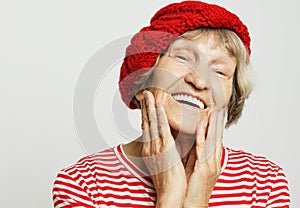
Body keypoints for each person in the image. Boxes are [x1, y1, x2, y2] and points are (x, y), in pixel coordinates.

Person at [53, 1, 290, 207]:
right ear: (145, 74)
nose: (199, 80)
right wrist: (170, 197)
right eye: (183, 58)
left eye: (219, 71)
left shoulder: (264, 184)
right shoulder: (83, 184)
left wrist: (197, 200)